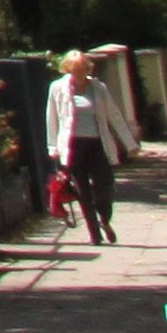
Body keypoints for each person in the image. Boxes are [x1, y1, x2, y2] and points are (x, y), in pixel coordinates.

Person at [54, 56, 121, 244]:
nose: (79, 73)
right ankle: (95, 235)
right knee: (82, 190)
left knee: (105, 185)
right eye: (75, 69)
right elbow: (51, 119)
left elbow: (114, 114)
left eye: (83, 68)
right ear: (67, 69)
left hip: (96, 144)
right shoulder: (58, 88)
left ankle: (104, 219)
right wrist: (53, 148)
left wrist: (130, 144)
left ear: (88, 69)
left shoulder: (98, 88)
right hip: (72, 146)